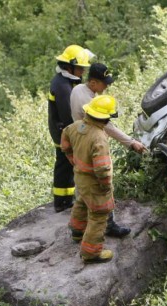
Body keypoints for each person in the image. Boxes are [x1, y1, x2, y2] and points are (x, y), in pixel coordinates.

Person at [70, 62, 147, 237]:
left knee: (81, 188)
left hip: (79, 144)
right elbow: (109, 127)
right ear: (94, 83)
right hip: (90, 147)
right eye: (105, 83)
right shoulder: (96, 131)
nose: (107, 86)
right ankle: (107, 226)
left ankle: (76, 230)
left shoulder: (77, 89)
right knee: (101, 190)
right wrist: (131, 142)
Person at [61, 95, 119, 263]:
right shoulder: (99, 137)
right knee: (99, 214)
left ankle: (77, 232)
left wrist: (73, 160)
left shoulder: (75, 127)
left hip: (80, 178)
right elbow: (102, 168)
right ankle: (91, 253)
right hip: (94, 183)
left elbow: (64, 143)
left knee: (81, 202)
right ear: (106, 117)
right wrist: (106, 185)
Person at [48, 44, 91, 212]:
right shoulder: (62, 86)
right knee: (64, 165)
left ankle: (67, 199)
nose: (83, 71)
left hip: (63, 129)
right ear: (69, 66)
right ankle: (61, 202)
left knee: (68, 166)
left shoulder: (68, 81)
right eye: (80, 68)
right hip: (62, 131)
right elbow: (68, 115)